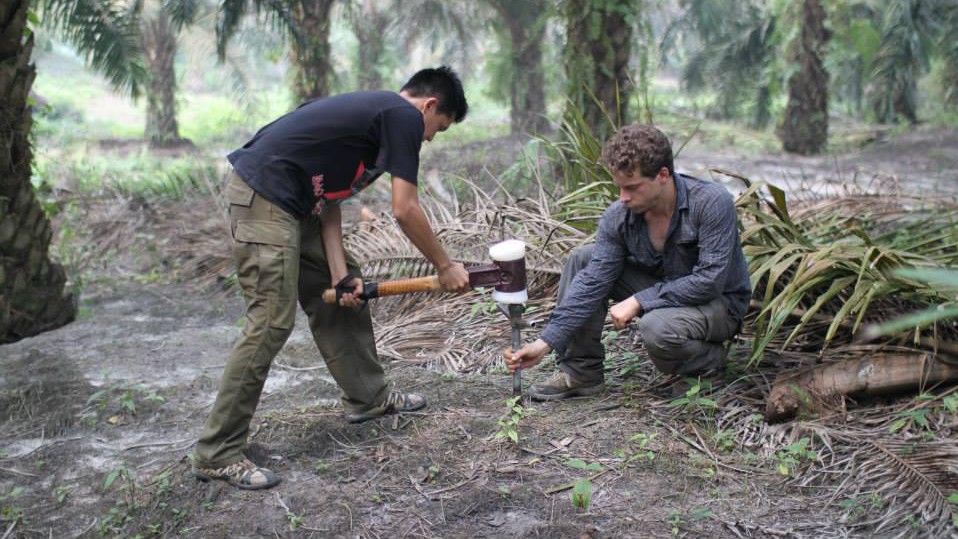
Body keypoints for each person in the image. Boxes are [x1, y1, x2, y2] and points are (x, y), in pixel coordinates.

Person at [192, 67, 471, 490]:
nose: (430, 138)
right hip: (264, 199)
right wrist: (444, 265)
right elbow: (405, 209)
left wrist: (339, 276)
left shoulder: (371, 121)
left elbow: (330, 201)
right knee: (270, 320)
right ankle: (217, 452)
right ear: (429, 106)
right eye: (439, 128)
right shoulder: (401, 116)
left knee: (347, 287)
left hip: (295, 204)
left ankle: (369, 398)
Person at [505, 124, 751, 401]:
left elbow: (709, 281)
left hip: (718, 304)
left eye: (632, 188)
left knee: (658, 327)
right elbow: (593, 281)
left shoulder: (710, 203)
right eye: (620, 187)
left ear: (662, 175)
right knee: (584, 260)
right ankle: (581, 372)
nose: (623, 197)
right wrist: (544, 343)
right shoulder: (620, 215)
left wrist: (639, 300)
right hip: (667, 291)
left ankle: (706, 366)